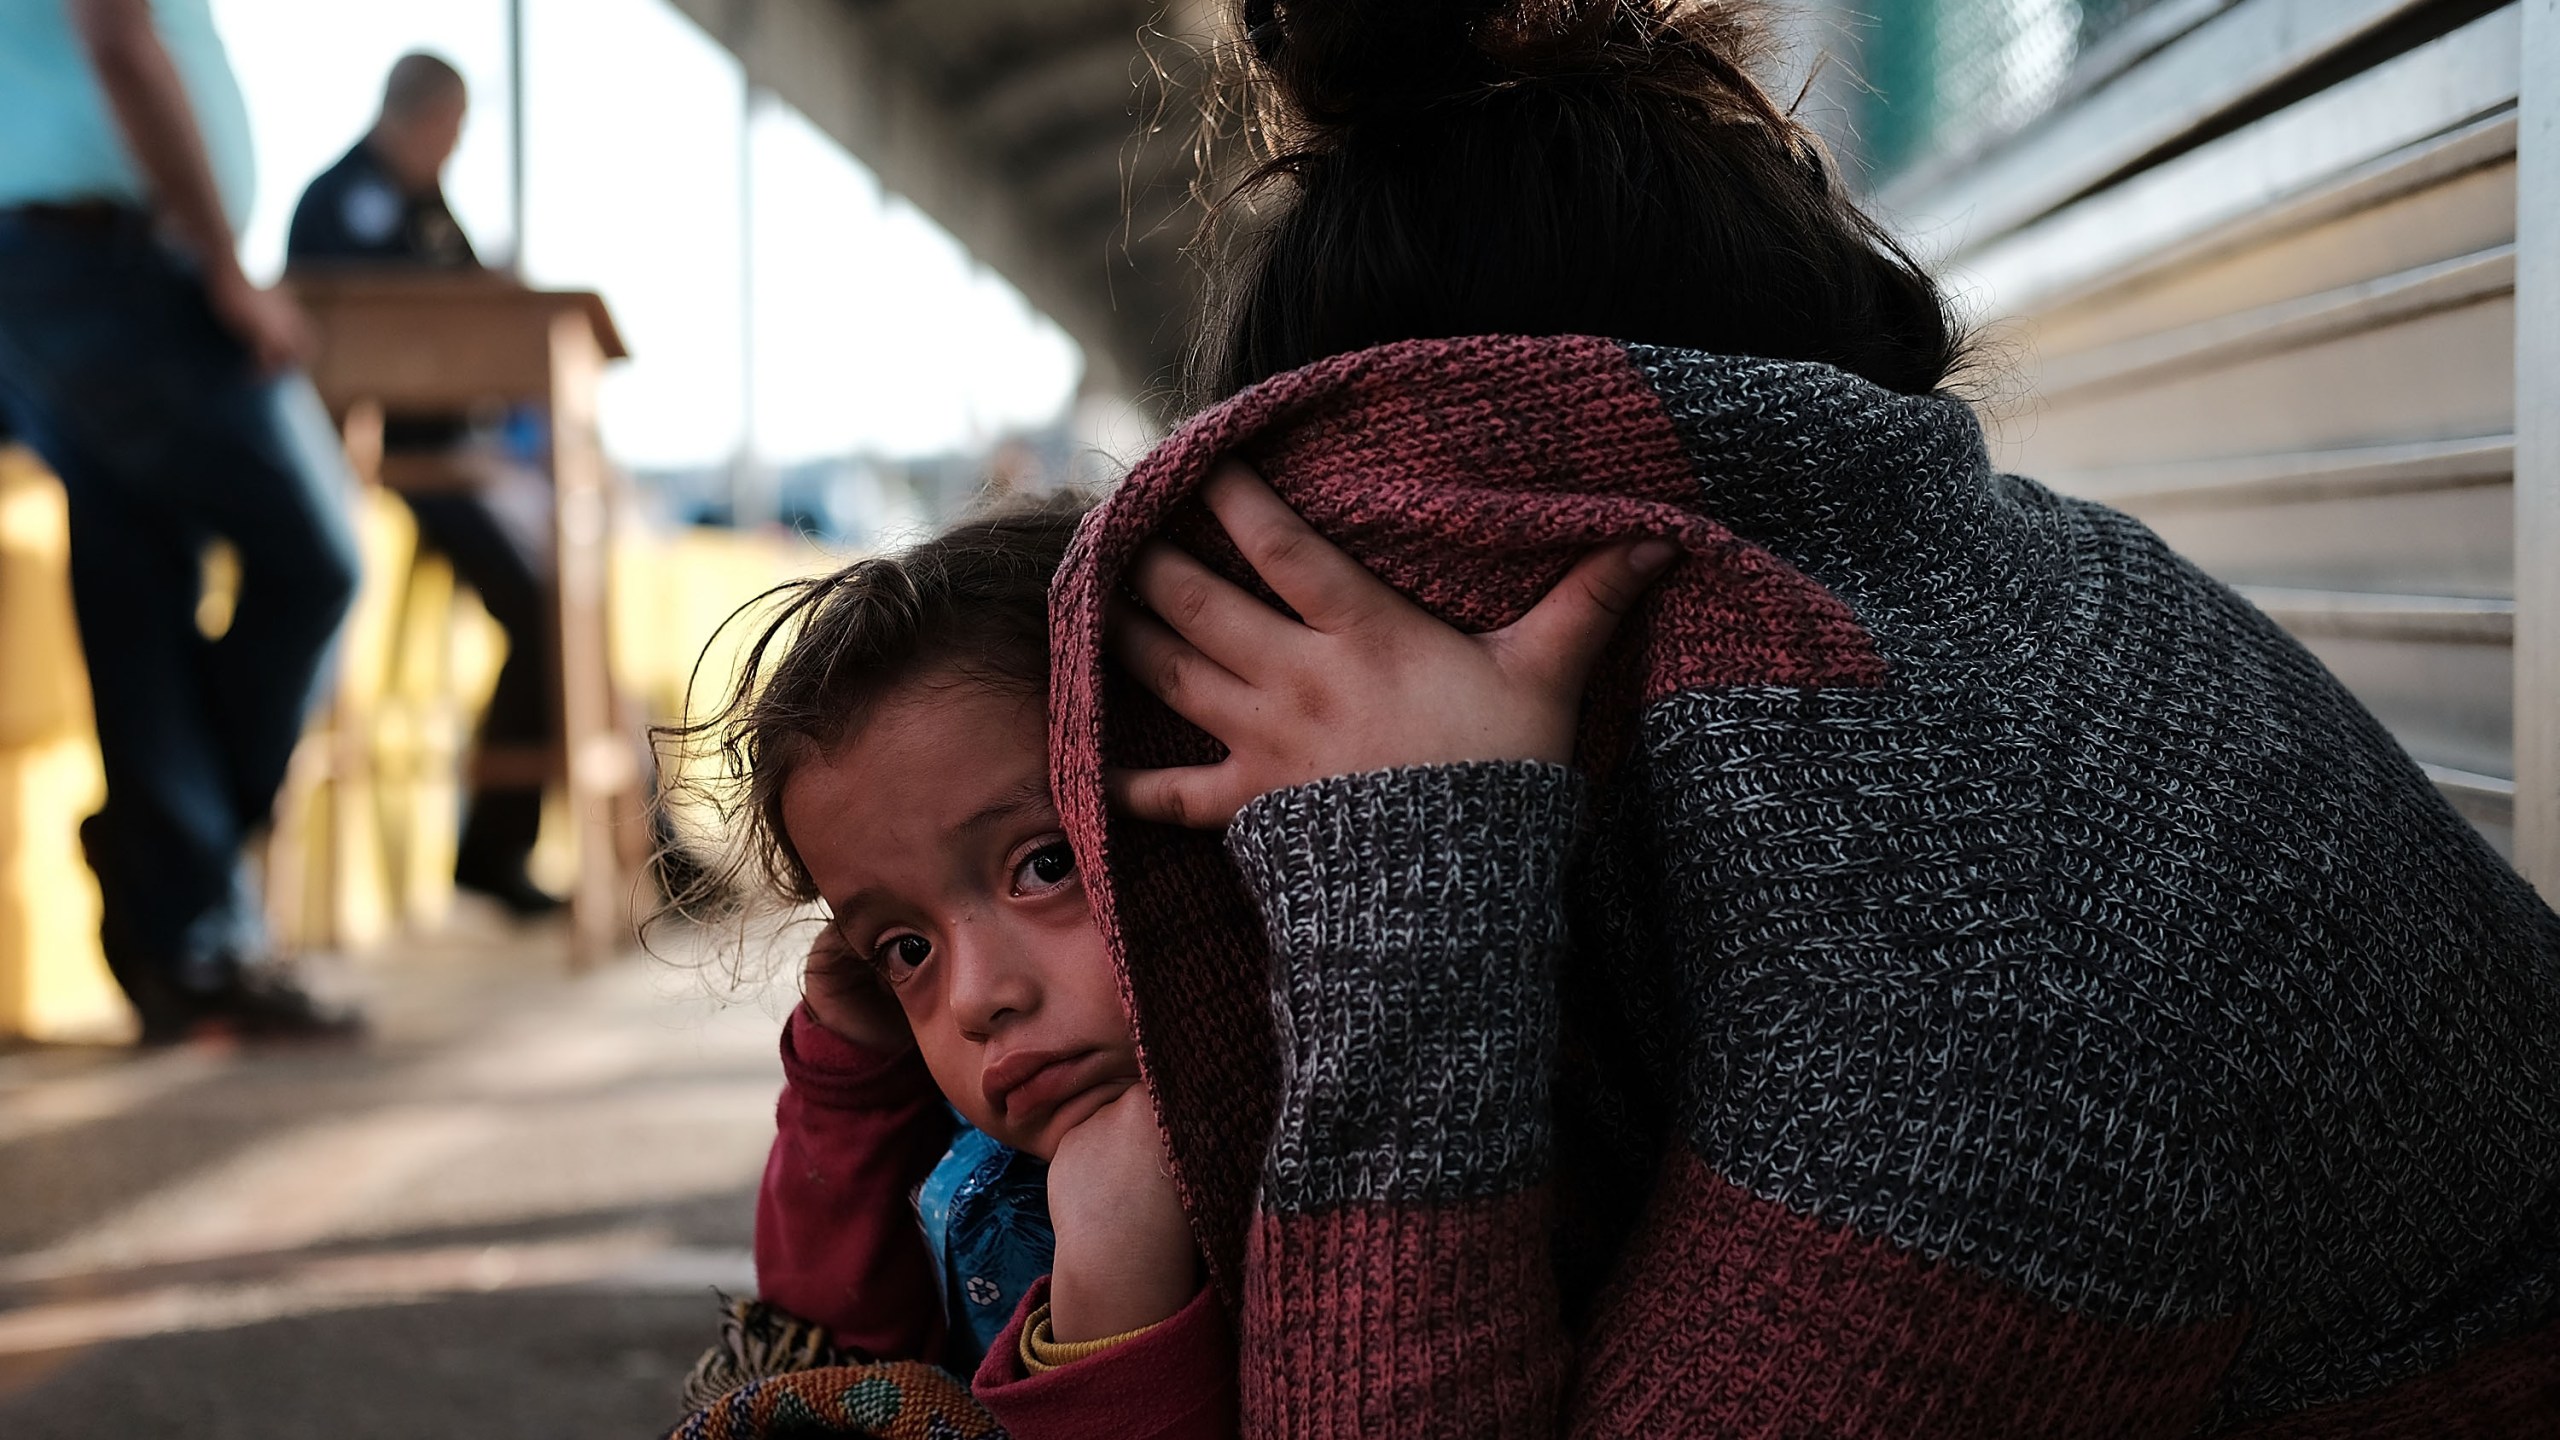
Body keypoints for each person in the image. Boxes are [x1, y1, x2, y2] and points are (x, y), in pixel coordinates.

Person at [1013, 0, 2560, 1435]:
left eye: (1318, 617)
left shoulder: (1997, 1035)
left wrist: (1408, 873)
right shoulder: (2020, 602)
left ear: (1454, 539)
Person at [661, 493, 1667, 1436]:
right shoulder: (990, 1164)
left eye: (1044, 865)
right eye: (906, 949)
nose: (976, 998)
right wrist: (848, 1081)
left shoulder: (1343, 1140)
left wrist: (1112, 1316)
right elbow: (833, 1363)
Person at [0, 0, 362, 1042]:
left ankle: (184, 942)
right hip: (109, 260)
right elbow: (117, 34)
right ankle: (174, 874)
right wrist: (220, 264)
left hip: (66, 262)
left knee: (138, 587)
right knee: (318, 557)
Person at [286, 53, 563, 918]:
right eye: (450, 131)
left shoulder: (426, 205)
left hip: (458, 461)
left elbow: (473, 310)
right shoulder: (340, 202)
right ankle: (493, 849)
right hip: (392, 466)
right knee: (540, 605)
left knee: (567, 602)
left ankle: (649, 846)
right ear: (426, 117)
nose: (452, 149)